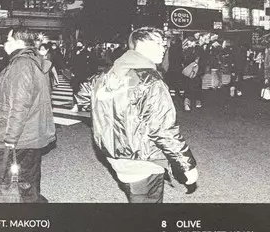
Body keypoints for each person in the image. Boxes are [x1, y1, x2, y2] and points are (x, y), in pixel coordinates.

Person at [92, 26, 198, 203]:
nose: (163, 48)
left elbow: (87, 98)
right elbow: (162, 128)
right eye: (158, 43)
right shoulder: (150, 80)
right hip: (143, 158)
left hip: (116, 155)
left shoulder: (110, 73)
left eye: (164, 44)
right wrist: (186, 165)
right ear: (140, 44)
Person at [0, 27, 56, 203]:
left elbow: (19, 104)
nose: (5, 43)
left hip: (21, 135)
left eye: (8, 40)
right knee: (28, 177)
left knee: (7, 179)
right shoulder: (34, 61)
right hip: (32, 131)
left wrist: (10, 138)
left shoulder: (21, 64)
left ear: (18, 42)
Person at [70, 41, 90, 112]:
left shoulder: (87, 53)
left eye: (80, 44)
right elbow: (72, 62)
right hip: (76, 74)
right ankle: (76, 105)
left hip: (83, 74)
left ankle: (83, 105)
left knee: (83, 90)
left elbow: (88, 63)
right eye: (77, 44)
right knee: (75, 89)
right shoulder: (74, 52)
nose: (78, 46)